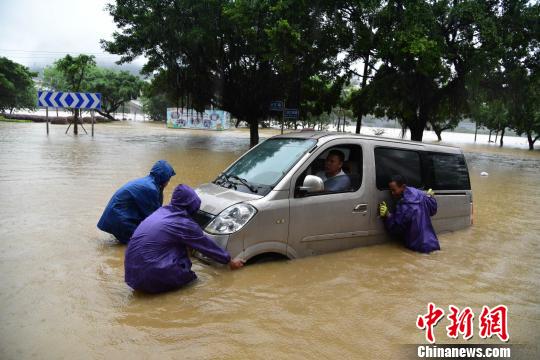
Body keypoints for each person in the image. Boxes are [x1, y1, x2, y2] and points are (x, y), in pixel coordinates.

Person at [125, 184, 244, 293]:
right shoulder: (183, 223)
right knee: (192, 282)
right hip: (150, 276)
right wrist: (229, 261)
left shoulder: (161, 212)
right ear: (192, 205)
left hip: (131, 275)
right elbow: (206, 245)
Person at [97, 160, 176, 244]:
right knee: (145, 242)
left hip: (116, 216)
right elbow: (152, 217)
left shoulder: (149, 183)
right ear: (164, 178)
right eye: (168, 178)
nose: (168, 182)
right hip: (119, 219)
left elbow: (154, 210)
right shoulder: (150, 189)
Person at [378, 175, 440, 253]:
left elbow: (396, 229)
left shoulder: (404, 206)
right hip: (433, 244)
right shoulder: (420, 194)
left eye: (394, 190)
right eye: (391, 191)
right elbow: (433, 210)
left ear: (403, 187)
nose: (392, 193)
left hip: (418, 247)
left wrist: (387, 215)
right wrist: (430, 198)